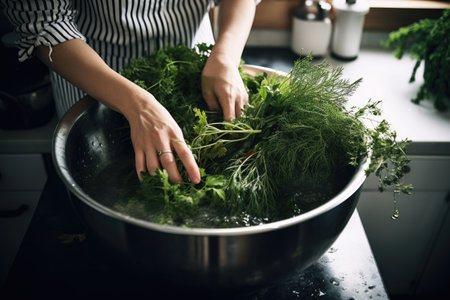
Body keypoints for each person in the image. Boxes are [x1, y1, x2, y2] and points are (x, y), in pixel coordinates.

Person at [1, 0, 257, 184]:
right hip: (95, 76)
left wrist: (225, 57)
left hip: (194, 67)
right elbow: (43, 22)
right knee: (110, 178)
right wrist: (138, 105)